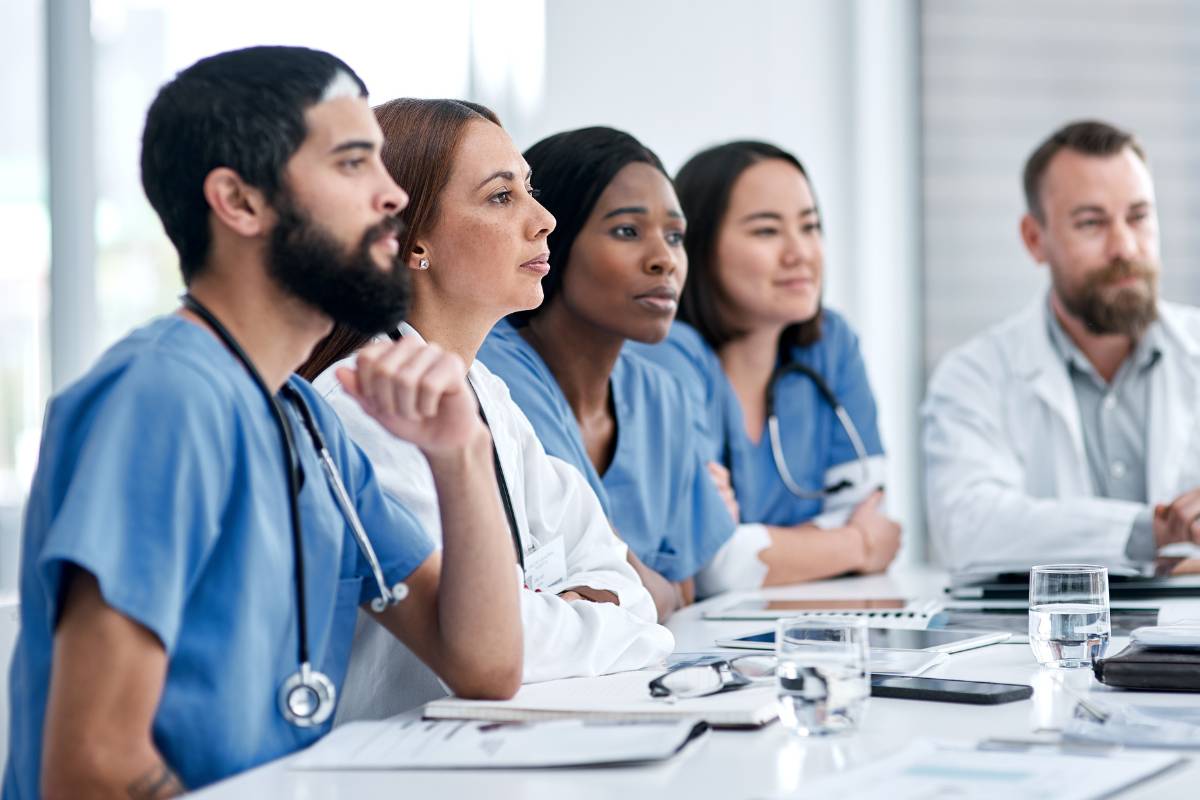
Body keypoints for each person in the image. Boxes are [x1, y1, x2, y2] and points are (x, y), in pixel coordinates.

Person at [3, 47, 524, 799]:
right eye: (353, 164)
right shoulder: (162, 396)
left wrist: (461, 451)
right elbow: (95, 767)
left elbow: (486, 664)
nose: (392, 196)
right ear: (239, 202)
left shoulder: (304, 420)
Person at [299, 100, 672, 723]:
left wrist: (557, 610)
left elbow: (629, 593)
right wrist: (564, 608)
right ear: (410, 238)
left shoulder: (487, 394)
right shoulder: (365, 406)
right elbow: (496, 647)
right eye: (502, 197)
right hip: (399, 756)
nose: (544, 220)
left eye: (530, 190)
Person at [477, 126, 740, 608]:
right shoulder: (494, 371)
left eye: (675, 236)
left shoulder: (663, 397)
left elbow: (682, 588)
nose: (664, 260)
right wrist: (649, 591)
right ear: (553, 236)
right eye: (627, 231)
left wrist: (648, 591)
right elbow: (627, 593)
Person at [923, 119, 1200, 574]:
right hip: (1042, 625)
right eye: (1091, 223)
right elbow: (969, 527)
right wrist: (1152, 533)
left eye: (1139, 217)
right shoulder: (974, 376)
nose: (1124, 246)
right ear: (1035, 240)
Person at [632, 140, 901, 588]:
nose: (800, 253)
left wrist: (756, 549)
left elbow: (873, 512)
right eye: (767, 232)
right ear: (697, 246)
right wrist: (856, 544)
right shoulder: (664, 354)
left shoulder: (831, 345)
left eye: (810, 226)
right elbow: (706, 563)